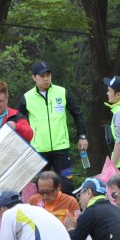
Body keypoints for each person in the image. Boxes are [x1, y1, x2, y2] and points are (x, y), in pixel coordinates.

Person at [16, 61, 88, 194]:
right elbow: (17, 120)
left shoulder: (62, 92)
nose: (46, 78)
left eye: (48, 75)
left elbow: (77, 113)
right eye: (42, 76)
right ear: (34, 77)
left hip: (61, 149)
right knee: (42, 189)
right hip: (39, 151)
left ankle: (70, 207)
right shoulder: (27, 97)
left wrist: (82, 136)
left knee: (67, 185)